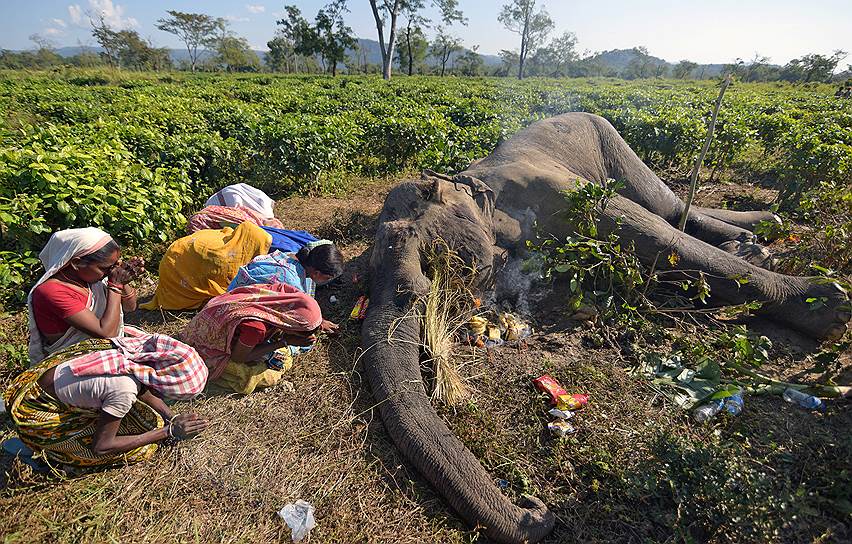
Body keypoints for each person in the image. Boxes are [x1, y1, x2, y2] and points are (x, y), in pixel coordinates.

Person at [4, 335, 209, 469]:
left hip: (35, 385)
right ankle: (50, 456)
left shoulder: (129, 348)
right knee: (142, 449)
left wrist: (171, 417)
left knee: (145, 419)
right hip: (36, 413)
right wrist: (167, 432)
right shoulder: (124, 389)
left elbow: (144, 382)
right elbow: (101, 446)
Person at [28, 227, 146, 365]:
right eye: (105, 268)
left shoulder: (91, 276)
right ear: (77, 263)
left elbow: (130, 306)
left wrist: (121, 274)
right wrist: (115, 285)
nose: (110, 272)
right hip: (71, 360)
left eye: (114, 266)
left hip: (104, 351)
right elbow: (107, 333)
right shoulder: (51, 291)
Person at [181, 282, 323, 394]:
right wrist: (284, 342)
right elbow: (238, 358)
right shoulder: (256, 327)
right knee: (265, 376)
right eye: (299, 332)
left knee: (280, 357)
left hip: (207, 322)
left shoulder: (278, 293)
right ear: (291, 323)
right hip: (203, 347)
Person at [140, 221, 272, 311]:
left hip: (174, 259)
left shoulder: (227, 235)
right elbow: (226, 289)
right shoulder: (225, 259)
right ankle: (187, 294)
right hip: (176, 272)